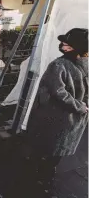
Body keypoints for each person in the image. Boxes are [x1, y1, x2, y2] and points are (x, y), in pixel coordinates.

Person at [26, 28, 88, 192]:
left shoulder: (67, 64)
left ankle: (43, 176)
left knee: (54, 151)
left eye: (67, 44)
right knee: (49, 150)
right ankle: (41, 179)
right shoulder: (59, 65)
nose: (62, 45)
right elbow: (58, 92)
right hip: (60, 118)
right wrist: (81, 107)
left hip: (67, 120)